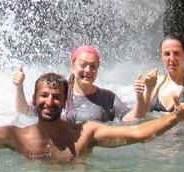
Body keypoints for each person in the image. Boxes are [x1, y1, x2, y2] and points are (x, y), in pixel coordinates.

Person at [0, 72, 184, 161]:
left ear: (64, 99)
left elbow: (138, 134)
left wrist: (174, 118)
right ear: (34, 99)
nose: (50, 101)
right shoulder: (17, 136)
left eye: (56, 96)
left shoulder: (86, 133)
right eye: (44, 95)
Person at [11, 45, 141, 123]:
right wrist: (19, 87)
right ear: (73, 66)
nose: (88, 71)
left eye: (93, 66)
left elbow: (131, 120)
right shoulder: (57, 93)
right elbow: (25, 113)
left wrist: (142, 97)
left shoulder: (107, 97)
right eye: (83, 65)